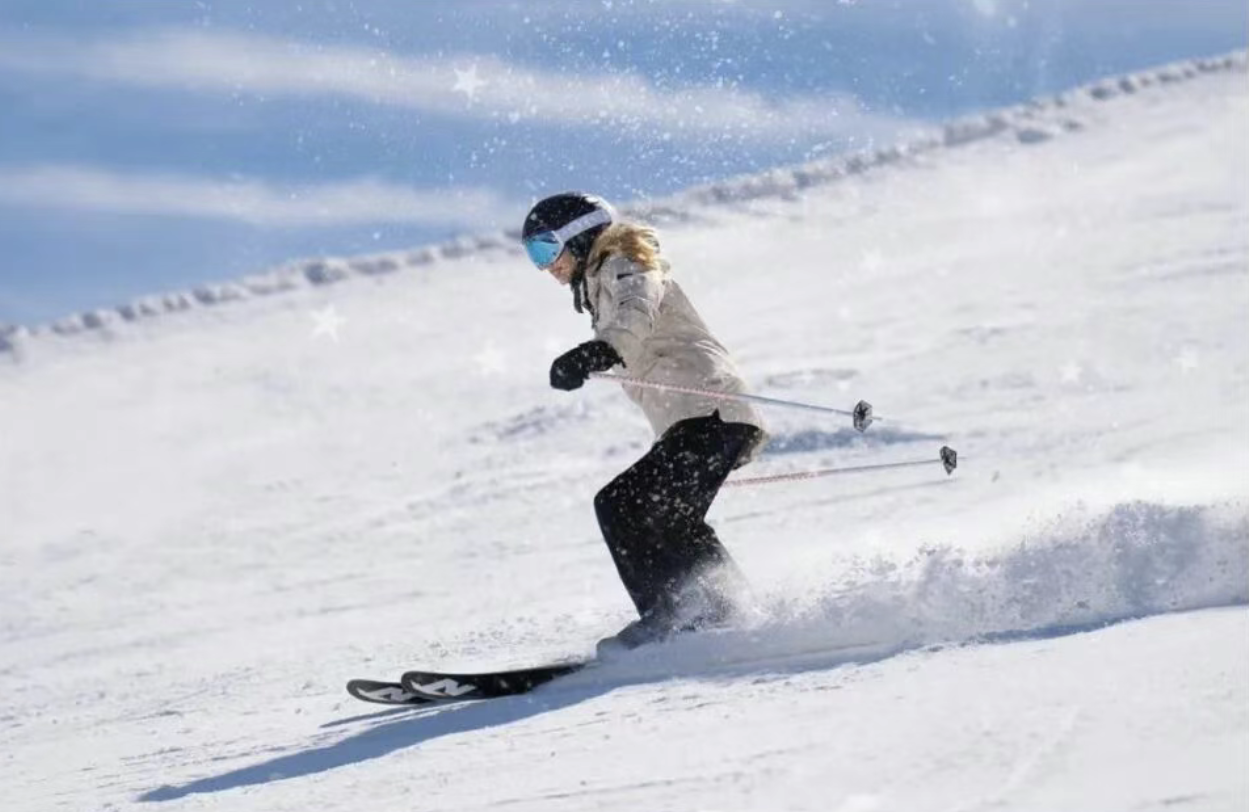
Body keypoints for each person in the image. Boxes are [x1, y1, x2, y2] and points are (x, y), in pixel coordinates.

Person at [521, 192, 770, 653]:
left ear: (579, 235)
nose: (545, 266)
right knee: (671, 519)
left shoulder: (625, 262)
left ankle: (670, 617)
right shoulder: (602, 284)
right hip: (706, 418)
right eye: (534, 255)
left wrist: (600, 349)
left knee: (622, 505)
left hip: (711, 413)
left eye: (546, 248)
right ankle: (730, 614)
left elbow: (636, 309)